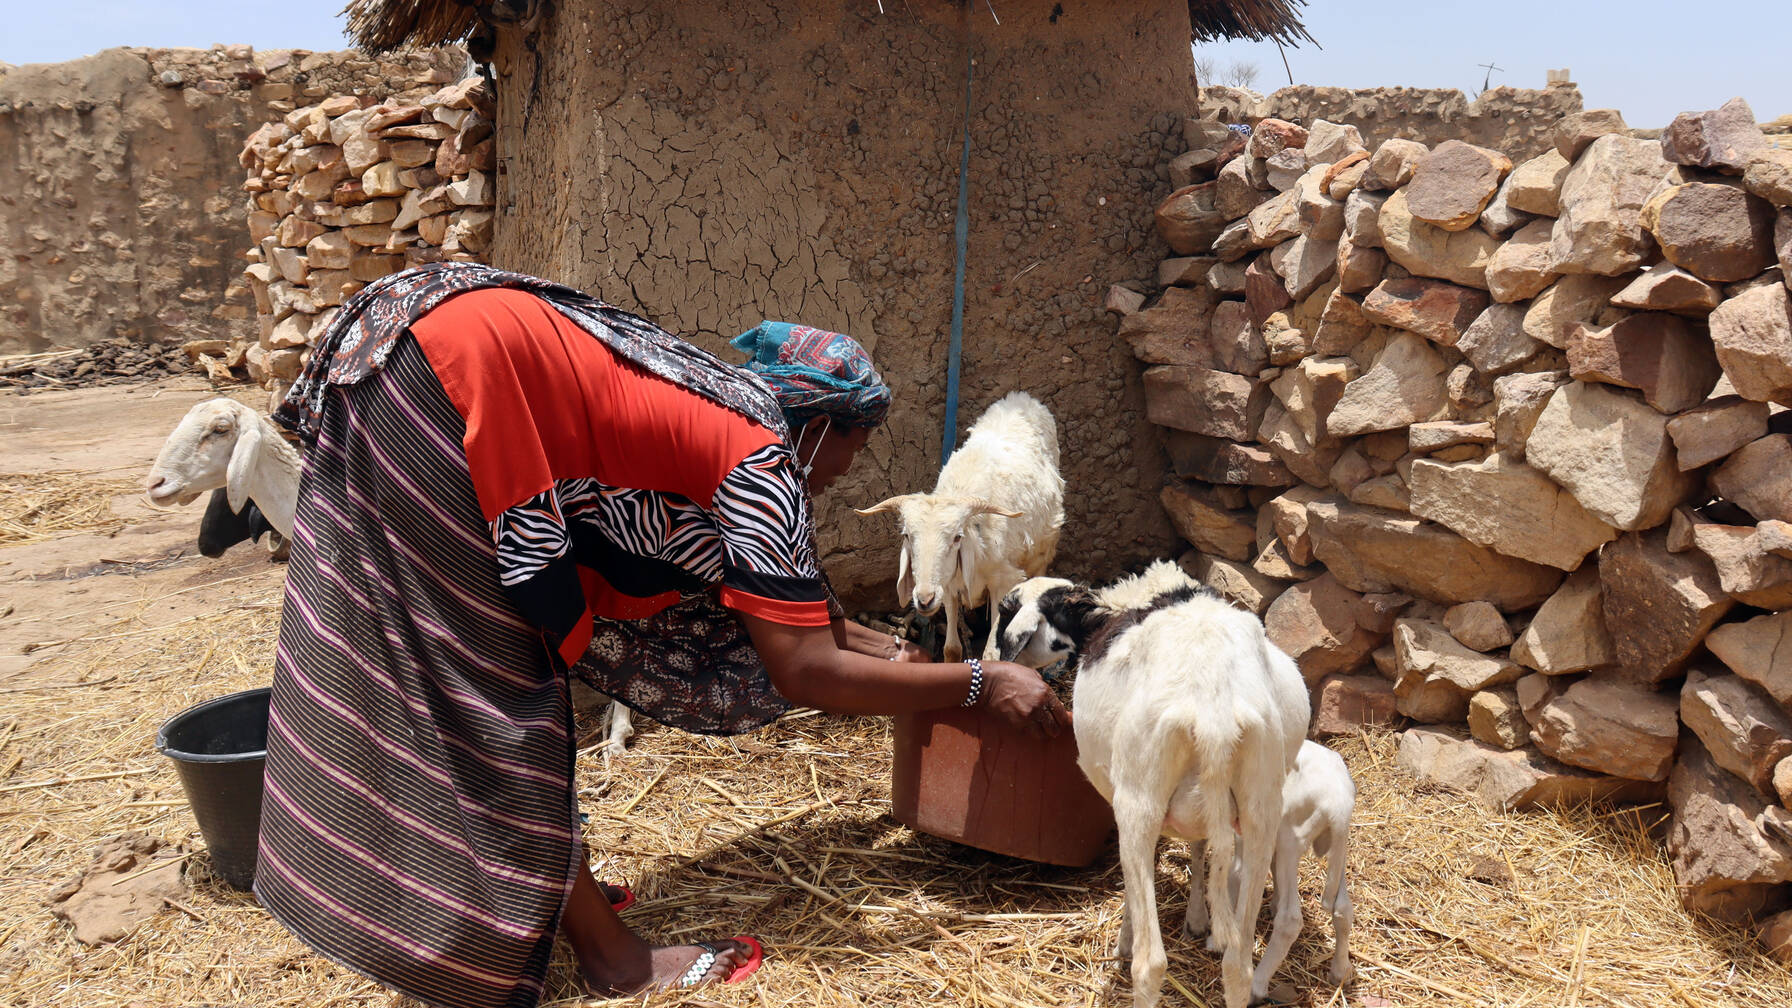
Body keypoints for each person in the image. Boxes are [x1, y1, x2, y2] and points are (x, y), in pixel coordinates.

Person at [254, 261, 1069, 1008]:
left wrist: (890, 652)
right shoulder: (761, 462)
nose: (849, 470)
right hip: (451, 386)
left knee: (493, 668)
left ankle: (543, 879)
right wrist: (981, 682)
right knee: (500, 683)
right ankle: (612, 958)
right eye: (858, 439)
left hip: (408, 334)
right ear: (819, 425)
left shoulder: (717, 410)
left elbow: (777, 603)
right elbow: (804, 671)